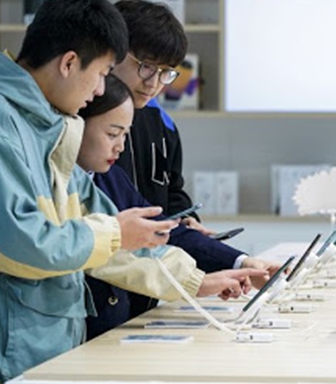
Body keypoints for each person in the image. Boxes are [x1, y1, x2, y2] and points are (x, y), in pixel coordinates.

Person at [0, 0, 257, 384]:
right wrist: (115, 233)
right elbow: (21, 244)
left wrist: (194, 280)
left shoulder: (48, 124)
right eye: (100, 74)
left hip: (45, 350)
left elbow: (107, 234)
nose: (100, 90)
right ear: (68, 63)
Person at [109, 0, 281, 319]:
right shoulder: (86, 123)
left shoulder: (160, 121)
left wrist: (189, 225)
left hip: (153, 290)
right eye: (146, 66)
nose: (153, 83)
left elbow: (172, 193)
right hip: (106, 294)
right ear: (113, 52)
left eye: (165, 73)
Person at [77, 76, 273, 337]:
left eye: (125, 135)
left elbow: (163, 230)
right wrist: (194, 282)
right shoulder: (61, 178)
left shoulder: (110, 175)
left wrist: (241, 263)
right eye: (112, 134)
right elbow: (107, 256)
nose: (120, 147)